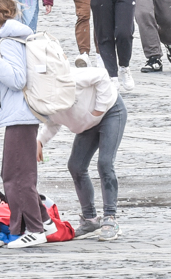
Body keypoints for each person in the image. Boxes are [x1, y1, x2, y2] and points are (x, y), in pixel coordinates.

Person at [0, 0, 47, 249]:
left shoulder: (7, 41)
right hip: (18, 115)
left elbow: (18, 79)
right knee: (13, 173)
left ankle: (34, 229)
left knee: (18, 176)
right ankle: (38, 223)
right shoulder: (2, 38)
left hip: (21, 116)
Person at [36, 65, 125, 241]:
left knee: (105, 163)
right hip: (87, 124)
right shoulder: (43, 102)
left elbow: (101, 75)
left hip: (110, 112)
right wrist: (39, 141)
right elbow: (52, 123)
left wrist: (99, 109)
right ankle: (90, 220)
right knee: (76, 166)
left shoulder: (70, 78)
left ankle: (110, 218)